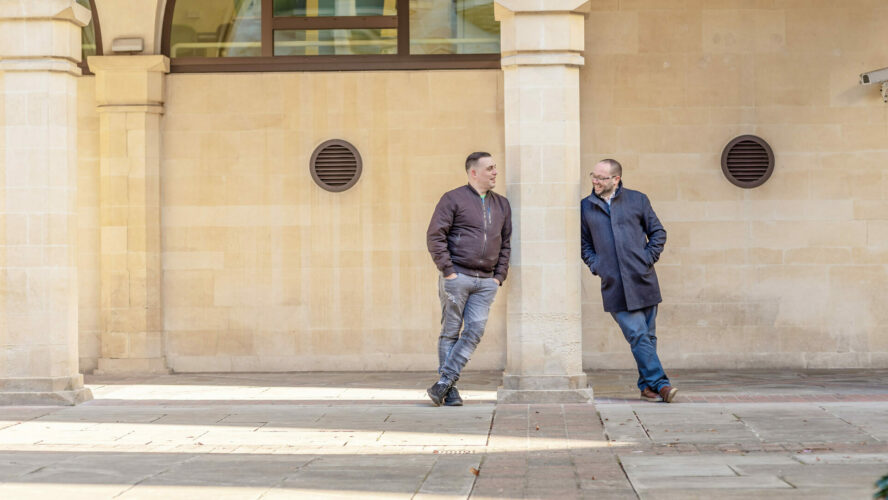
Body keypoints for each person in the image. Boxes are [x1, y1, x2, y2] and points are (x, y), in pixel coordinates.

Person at [580, 159, 678, 403]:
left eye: (602, 177)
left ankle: (646, 387)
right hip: (614, 284)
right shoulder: (586, 206)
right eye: (594, 176)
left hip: (643, 279)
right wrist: (597, 265)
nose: (596, 181)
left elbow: (658, 232)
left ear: (616, 179)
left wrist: (647, 259)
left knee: (648, 336)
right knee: (637, 334)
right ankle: (662, 385)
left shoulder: (638, 200)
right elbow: (584, 244)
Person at [425, 152, 511, 406]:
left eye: (495, 168)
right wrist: (448, 270)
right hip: (457, 276)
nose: (495, 172)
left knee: (474, 330)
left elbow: (506, 243)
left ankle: (444, 382)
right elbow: (435, 236)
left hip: (486, 282)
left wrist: (498, 277)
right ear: (474, 173)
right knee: (451, 331)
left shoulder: (502, 204)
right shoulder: (453, 199)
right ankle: (449, 390)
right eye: (490, 168)